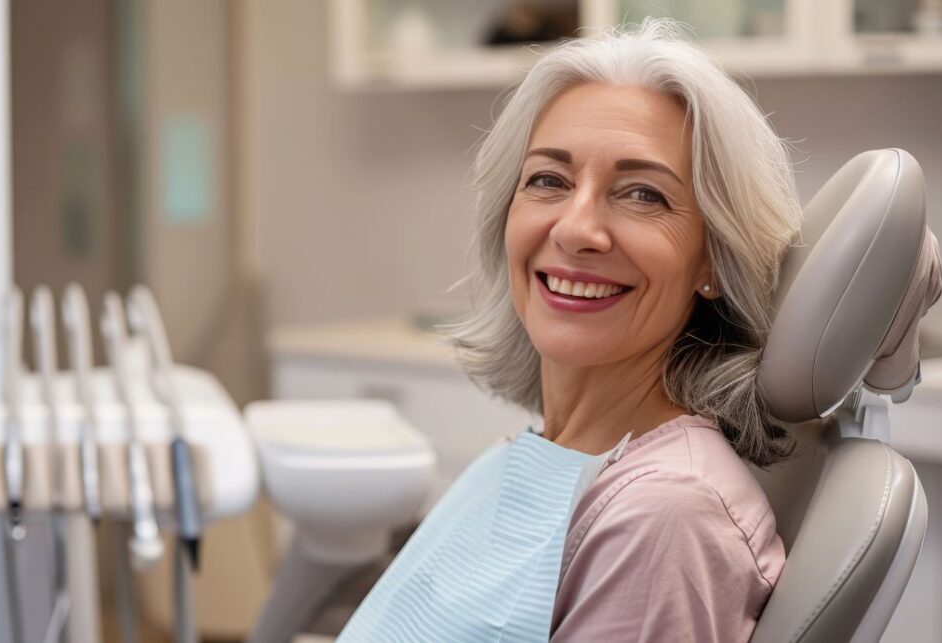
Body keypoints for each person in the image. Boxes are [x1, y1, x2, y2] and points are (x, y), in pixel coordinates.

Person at [337, 19, 800, 642]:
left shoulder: (665, 516)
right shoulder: (549, 456)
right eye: (548, 181)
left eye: (643, 194)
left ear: (712, 261)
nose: (577, 229)